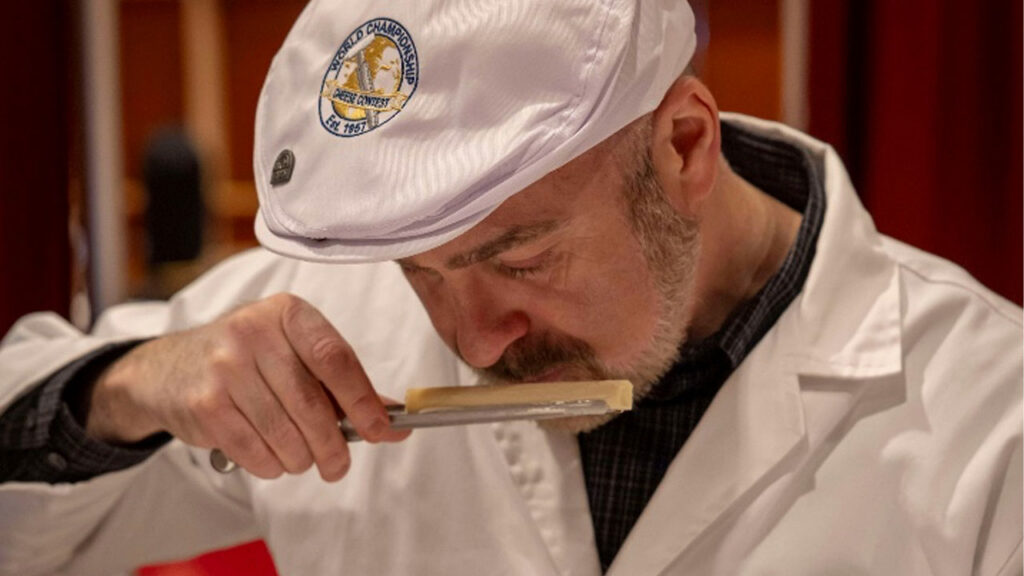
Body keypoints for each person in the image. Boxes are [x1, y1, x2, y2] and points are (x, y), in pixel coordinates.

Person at [1, 0, 1020, 574]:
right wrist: (127, 387)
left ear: (682, 146)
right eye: (418, 272)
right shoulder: (327, 320)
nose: (474, 341)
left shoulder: (990, 419)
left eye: (521, 260)